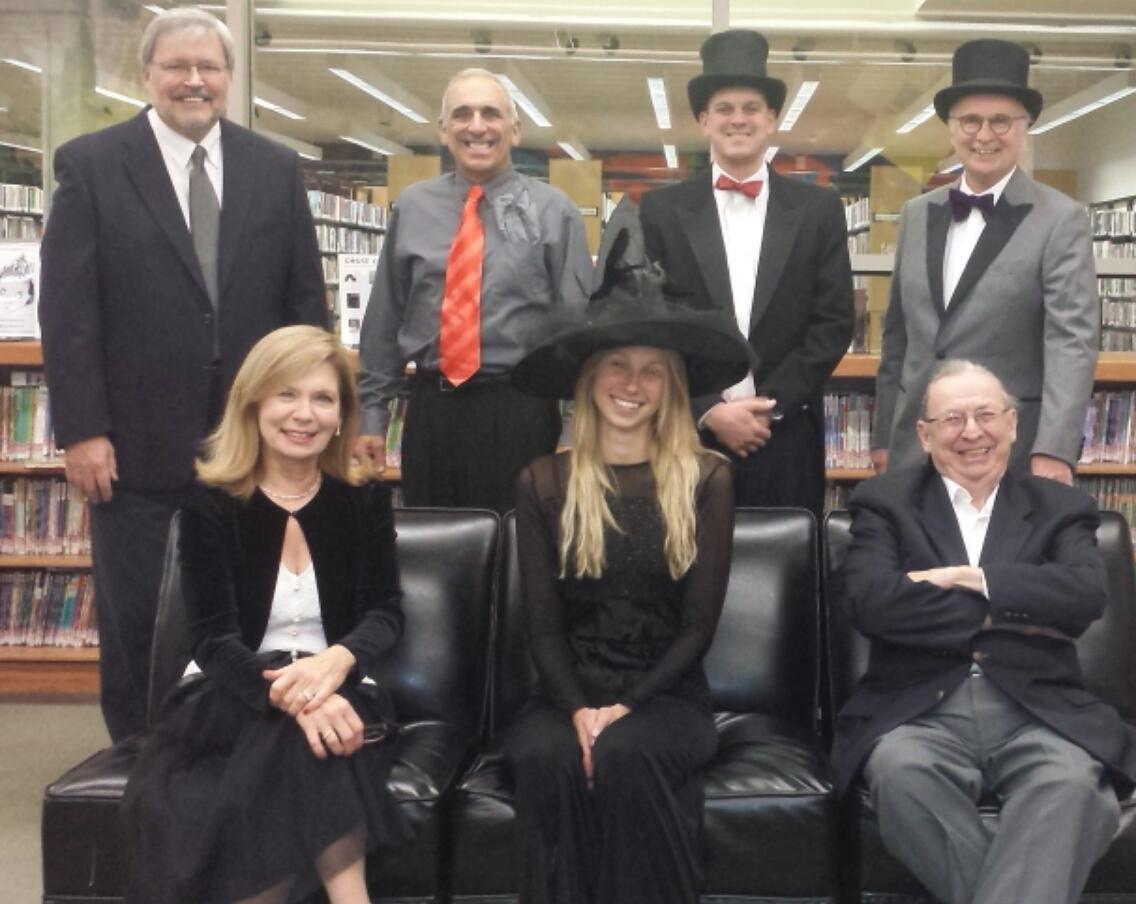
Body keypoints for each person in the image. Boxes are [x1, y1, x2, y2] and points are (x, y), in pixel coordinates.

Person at [39, 7, 329, 742]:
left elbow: (304, 305)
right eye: (176, 66)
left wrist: (314, 420)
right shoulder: (92, 165)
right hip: (135, 450)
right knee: (142, 619)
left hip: (255, 444)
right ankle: (141, 761)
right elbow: (68, 313)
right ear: (146, 75)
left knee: (250, 610)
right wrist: (82, 430)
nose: (193, 80)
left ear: (229, 77)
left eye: (208, 67)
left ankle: (237, 756)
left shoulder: (274, 169)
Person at [833, 360, 1136, 904]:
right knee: (901, 775)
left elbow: (1084, 596)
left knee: (1073, 785)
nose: (971, 432)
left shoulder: (1061, 508)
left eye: (985, 415)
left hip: (1037, 708)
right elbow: (871, 603)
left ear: (1013, 424)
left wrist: (976, 579)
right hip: (918, 710)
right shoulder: (884, 503)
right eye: (953, 419)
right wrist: (1006, 609)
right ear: (924, 434)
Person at [122, 325, 404, 904]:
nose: (305, 414)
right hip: (233, 688)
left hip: (341, 681)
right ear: (253, 403)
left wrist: (336, 663)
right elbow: (212, 639)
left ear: (342, 415)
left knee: (308, 741)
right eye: (287, 395)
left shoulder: (364, 498)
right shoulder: (210, 504)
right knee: (309, 737)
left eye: (323, 399)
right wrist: (297, 695)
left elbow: (385, 612)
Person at [503, 262, 753, 903]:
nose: (632, 384)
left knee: (627, 754)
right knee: (545, 758)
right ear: (590, 379)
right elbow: (542, 626)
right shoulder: (543, 482)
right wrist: (579, 711)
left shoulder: (708, 479)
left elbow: (698, 628)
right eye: (617, 365)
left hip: (667, 697)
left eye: (652, 371)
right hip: (564, 693)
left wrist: (626, 707)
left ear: (672, 388)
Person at [356, 67, 593, 513]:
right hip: (431, 413)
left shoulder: (554, 213)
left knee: (521, 541)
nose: (477, 126)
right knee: (434, 538)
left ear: (515, 130)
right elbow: (386, 319)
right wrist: (372, 415)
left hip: (521, 413)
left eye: (491, 114)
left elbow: (578, 331)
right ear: (443, 130)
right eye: (462, 114)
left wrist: (574, 427)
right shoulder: (413, 208)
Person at [640, 29, 854, 515]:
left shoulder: (819, 209)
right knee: (685, 555)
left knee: (787, 555)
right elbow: (655, 321)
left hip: (785, 434)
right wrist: (709, 408)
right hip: (688, 433)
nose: (738, 119)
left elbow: (833, 321)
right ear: (704, 120)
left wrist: (767, 409)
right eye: (724, 108)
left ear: (772, 119)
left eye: (751, 108)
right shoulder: (661, 210)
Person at [872, 38, 1099, 486]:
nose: (984, 135)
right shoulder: (917, 214)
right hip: (916, 443)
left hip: (1009, 449)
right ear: (951, 128)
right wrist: (883, 435)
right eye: (970, 120)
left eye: (1001, 121)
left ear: (1024, 126)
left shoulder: (1061, 219)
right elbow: (897, 335)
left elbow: (1072, 343)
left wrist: (1054, 449)